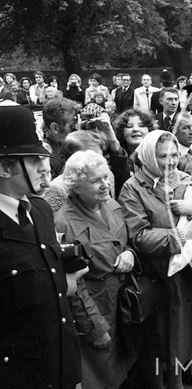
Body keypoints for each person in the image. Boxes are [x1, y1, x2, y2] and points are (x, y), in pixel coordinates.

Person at [118, 130, 192, 389]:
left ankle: (185, 376)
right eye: (163, 156)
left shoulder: (180, 177)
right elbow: (139, 236)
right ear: (149, 156)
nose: (171, 161)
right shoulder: (133, 188)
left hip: (189, 272)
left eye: (174, 154)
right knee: (167, 339)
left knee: (187, 334)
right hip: (161, 276)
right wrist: (180, 236)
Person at [0, 101, 85, 388]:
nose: (44, 166)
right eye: (33, 159)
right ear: (4, 167)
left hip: (60, 366)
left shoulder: (39, 210)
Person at [54, 150, 137, 389]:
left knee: (125, 366)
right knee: (102, 374)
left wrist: (130, 253)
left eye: (105, 177)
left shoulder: (111, 204)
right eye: (95, 180)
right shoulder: (63, 222)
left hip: (123, 303)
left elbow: (127, 240)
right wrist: (94, 326)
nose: (105, 184)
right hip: (96, 307)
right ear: (76, 186)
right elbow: (74, 284)